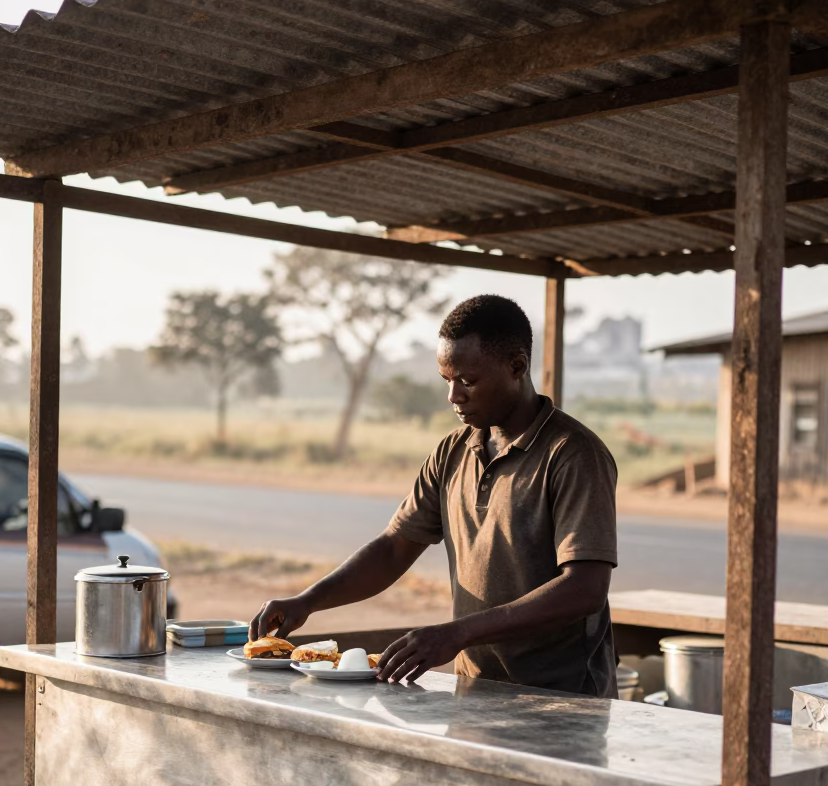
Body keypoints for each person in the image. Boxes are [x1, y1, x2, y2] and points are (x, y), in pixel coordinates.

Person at [251, 294, 619, 696]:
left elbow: (584, 590)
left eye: (468, 381)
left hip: (563, 699)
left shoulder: (573, 454)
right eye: (447, 380)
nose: (454, 396)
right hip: (477, 688)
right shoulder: (452, 452)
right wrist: (307, 601)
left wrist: (457, 633)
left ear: (517, 366)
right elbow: (394, 549)